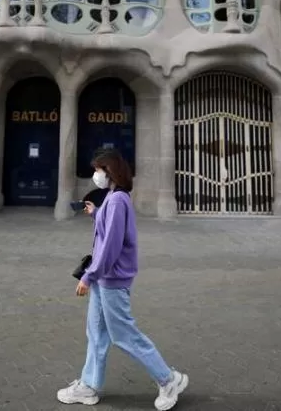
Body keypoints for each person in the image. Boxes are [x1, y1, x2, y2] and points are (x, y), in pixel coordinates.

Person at [58, 148, 189, 410]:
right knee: (96, 333)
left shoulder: (117, 200)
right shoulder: (113, 197)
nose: (95, 174)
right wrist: (96, 213)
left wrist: (88, 276)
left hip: (111, 280)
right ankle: (89, 385)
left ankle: (168, 378)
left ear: (110, 171)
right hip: (104, 279)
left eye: (98, 169)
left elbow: (111, 246)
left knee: (124, 334)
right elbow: (109, 230)